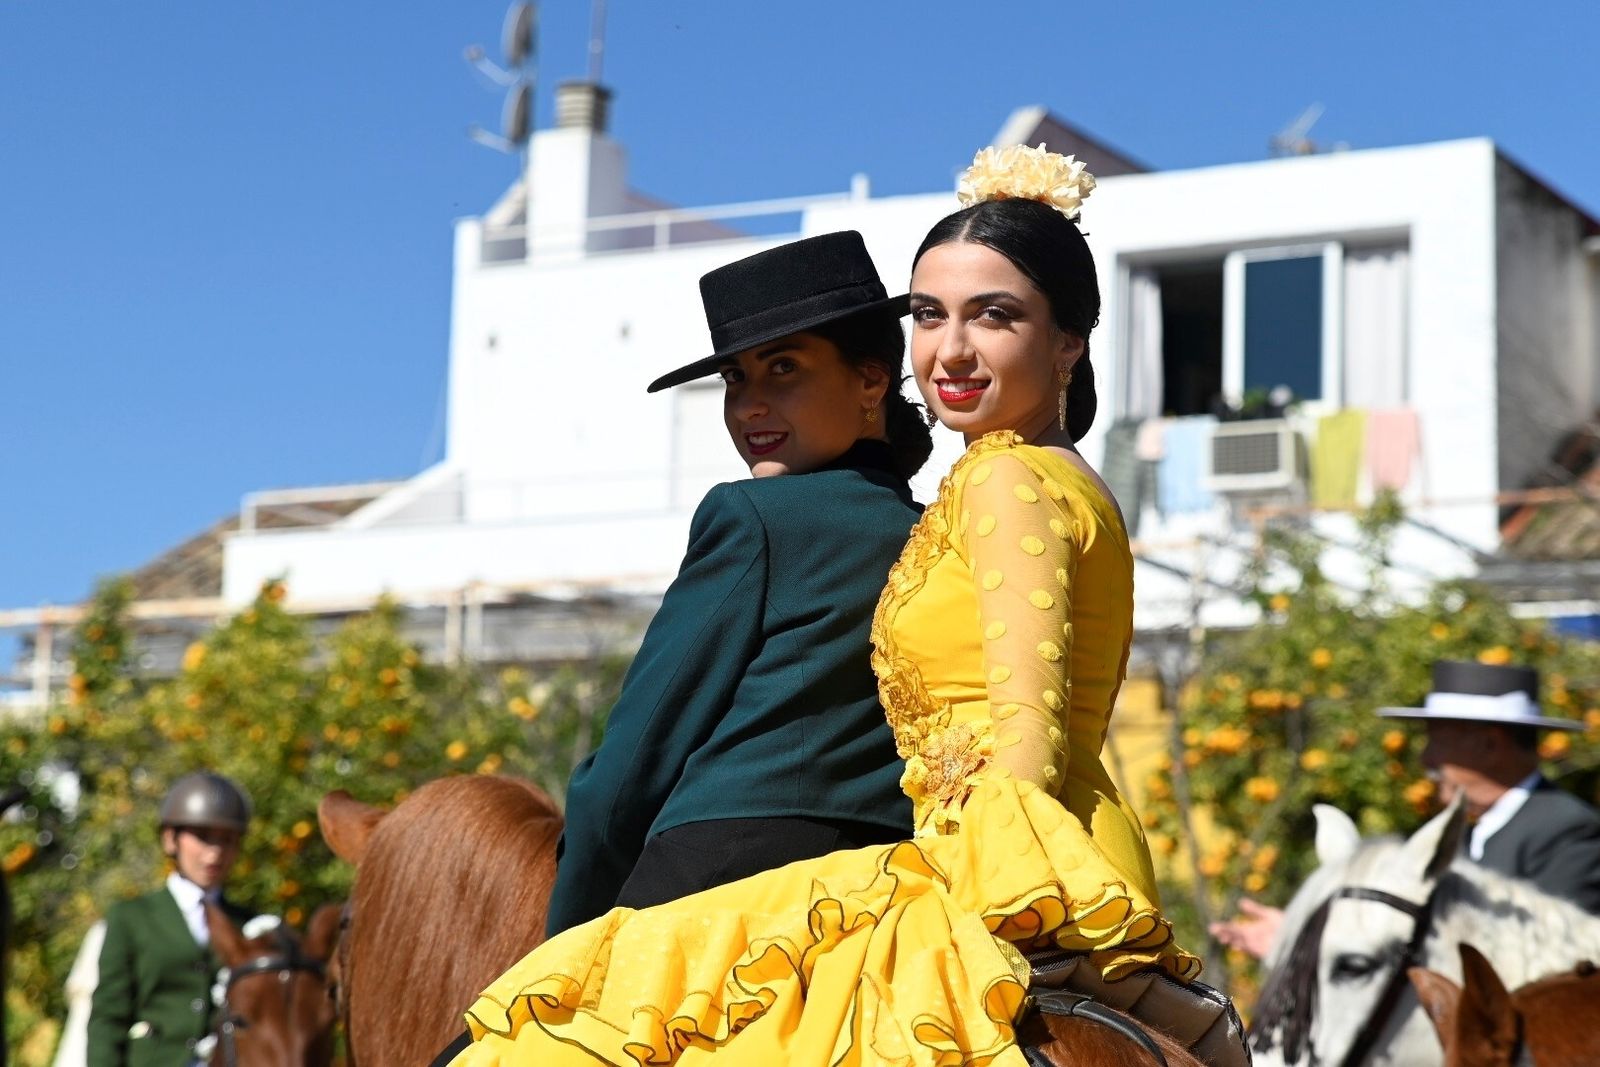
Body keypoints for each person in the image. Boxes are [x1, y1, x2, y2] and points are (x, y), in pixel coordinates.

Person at [444, 146, 1209, 1067]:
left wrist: (561, 941)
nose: (953, 347)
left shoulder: (996, 480)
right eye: (930, 314)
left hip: (973, 863)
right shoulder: (961, 503)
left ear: (1067, 341)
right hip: (1010, 849)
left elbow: (1023, 736)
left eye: (993, 315)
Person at [541, 230, 931, 937]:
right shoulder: (948, 534)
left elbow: (627, 772)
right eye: (735, 378)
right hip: (892, 901)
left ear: (872, 380)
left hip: (716, 889)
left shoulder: (750, 517)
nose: (749, 405)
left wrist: (556, 941)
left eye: (783, 367)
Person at [1210, 657, 1600, 958]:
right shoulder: (1463, 834)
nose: (1426, 761)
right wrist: (1305, 938)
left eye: (1437, 743)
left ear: (1490, 745)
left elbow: (1549, 955)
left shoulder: (1565, 829)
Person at [88, 772, 257, 1067]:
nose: (215, 853)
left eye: (227, 840)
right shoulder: (131, 917)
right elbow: (108, 1017)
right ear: (170, 839)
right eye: (203, 838)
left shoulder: (250, 925)